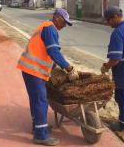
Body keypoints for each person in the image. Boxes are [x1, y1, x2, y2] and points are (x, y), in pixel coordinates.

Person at [17, 8, 79, 146]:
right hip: (33, 69)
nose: (64, 26)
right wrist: (69, 68)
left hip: (30, 69)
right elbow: (53, 51)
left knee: (36, 100)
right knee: (41, 100)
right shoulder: (50, 28)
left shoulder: (46, 26)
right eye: (64, 23)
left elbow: (45, 51)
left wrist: (54, 67)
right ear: (57, 18)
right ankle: (41, 136)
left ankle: (39, 126)